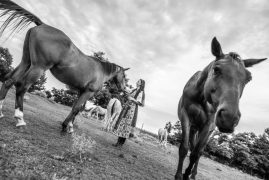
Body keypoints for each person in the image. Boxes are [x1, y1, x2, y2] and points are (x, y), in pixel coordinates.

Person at [112, 79, 145, 147]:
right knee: (122, 125)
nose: (137, 82)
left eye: (138, 81)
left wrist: (132, 99)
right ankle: (118, 142)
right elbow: (127, 91)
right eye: (137, 81)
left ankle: (121, 144)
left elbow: (141, 103)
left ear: (141, 84)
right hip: (127, 108)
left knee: (127, 127)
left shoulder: (141, 92)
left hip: (132, 110)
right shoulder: (134, 89)